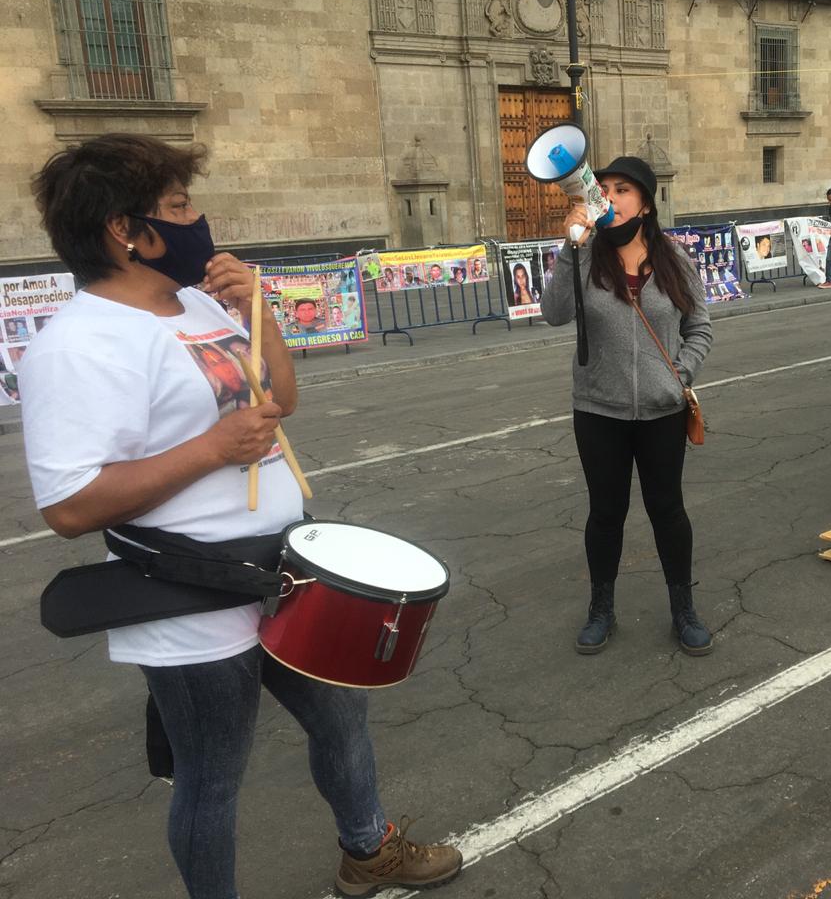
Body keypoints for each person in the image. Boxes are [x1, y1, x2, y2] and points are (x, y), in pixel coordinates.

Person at [22, 134, 462, 898]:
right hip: (188, 594)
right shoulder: (77, 347)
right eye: (179, 206)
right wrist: (211, 449)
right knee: (212, 778)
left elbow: (279, 402)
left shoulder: (196, 302)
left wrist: (258, 309)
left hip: (286, 572)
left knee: (341, 721)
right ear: (126, 232)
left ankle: (368, 852)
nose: (199, 218)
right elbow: (69, 506)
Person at [543, 156, 715, 657]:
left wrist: (677, 375)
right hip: (598, 411)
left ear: (644, 201)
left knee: (668, 510)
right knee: (605, 513)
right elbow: (554, 315)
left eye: (623, 189)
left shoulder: (672, 257)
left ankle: (683, 609)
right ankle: (601, 609)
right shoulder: (587, 254)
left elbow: (700, 327)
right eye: (604, 189)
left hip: (662, 411)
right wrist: (569, 249)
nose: (611, 198)